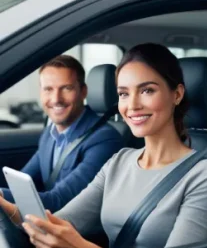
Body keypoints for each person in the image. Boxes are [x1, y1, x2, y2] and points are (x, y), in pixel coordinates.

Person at [0, 43, 207, 248]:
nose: (133, 105)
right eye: (124, 94)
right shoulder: (119, 161)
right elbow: (60, 222)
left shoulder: (205, 174)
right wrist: (5, 207)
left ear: (176, 94)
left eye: (147, 90)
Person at [0, 55, 124, 212]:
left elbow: (59, 201)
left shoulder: (104, 140)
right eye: (48, 89)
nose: (56, 99)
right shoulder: (50, 134)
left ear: (83, 91)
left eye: (66, 88)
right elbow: (20, 184)